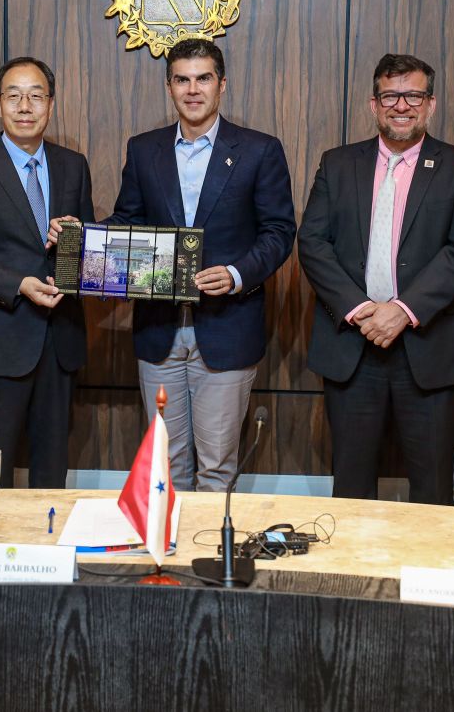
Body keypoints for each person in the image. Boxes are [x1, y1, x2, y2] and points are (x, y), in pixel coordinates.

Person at [49, 38, 295, 492]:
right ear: (169, 87)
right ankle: (170, 544)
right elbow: (128, 222)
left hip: (226, 330)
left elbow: (279, 232)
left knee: (217, 468)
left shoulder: (259, 150)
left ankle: (208, 544)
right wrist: (79, 239)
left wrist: (237, 274)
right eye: (182, 79)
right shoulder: (145, 149)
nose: (192, 89)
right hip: (158, 331)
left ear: (222, 84)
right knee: (166, 467)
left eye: (203, 79)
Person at [298, 53, 454, 504]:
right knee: (351, 485)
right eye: (390, 96)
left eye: (413, 96)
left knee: (432, 487)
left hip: (431, 348)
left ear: (431, 104)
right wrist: (362, 309)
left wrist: (403, 311)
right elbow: (313, 243)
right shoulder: (337, 163)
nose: (402, 106)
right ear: (374, 104)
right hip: (352, 344)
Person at [0, 57, 94, 488]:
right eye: (14, 96)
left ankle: (49, 534)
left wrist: (76, 236)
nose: (25, 106)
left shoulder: (73, 164)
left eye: (36, 96)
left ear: (51, 104)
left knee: (52, 467)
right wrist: (18, 284)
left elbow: (84, 248)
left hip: (60, 339)